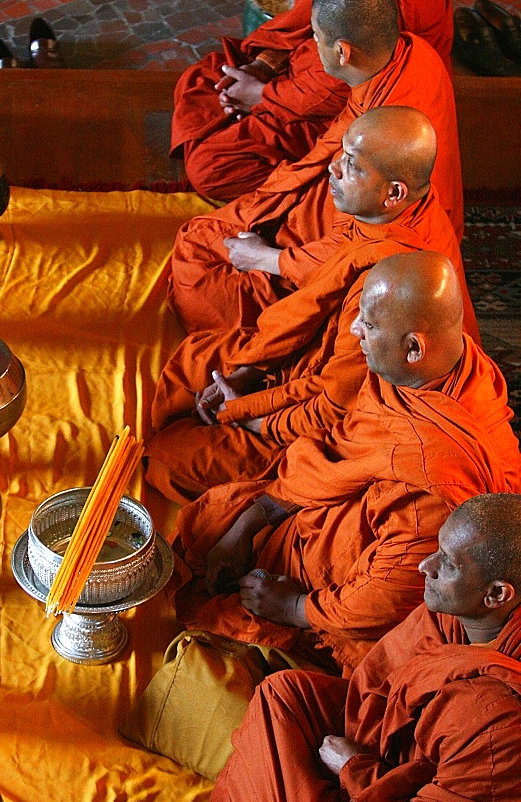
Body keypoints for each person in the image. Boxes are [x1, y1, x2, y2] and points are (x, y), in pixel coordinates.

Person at [171, 252, 521, 675]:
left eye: (368, 326)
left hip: (364, 582)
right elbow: (345, 443)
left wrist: (296, 607)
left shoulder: (433, 482)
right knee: (217, 517)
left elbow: (390, 593)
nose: (355, 329)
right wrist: (256, 515)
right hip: (345, 500)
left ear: (414, 348)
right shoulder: (439, 367)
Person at [147, 109, 478, 505]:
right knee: (198, 359)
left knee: (167, 458)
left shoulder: (387, 290)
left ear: (394, 193)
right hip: (310, 366)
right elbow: (312, 313)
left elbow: (334, 407)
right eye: (341, 153)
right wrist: (251, 372)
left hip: (335, 417)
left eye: (351, 165)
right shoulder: (384, 217)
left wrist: (248, 415)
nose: (333, 168)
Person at [209, 494, 521, 802]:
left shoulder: (502, 717)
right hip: (384, 757)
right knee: (283, 692)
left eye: (449, 563)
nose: (427, 566)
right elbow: (374, 689)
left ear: (497, 595)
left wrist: (355, 770)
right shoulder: (454, 610)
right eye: (438, 548)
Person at [169, 0, 464, 336]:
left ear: (343, 52)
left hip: (384, 250)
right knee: (207, 233)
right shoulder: (412, 54)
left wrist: (269, 258)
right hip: (359, 201)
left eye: (315, 37)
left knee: (200, 270)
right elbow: (331, 150)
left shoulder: (388, 132)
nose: (311, 44)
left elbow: (357, 247)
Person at [172, 0, 454, 202]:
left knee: (210, 167)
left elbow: (335, 89)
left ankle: (316, 201)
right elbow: (315, 20)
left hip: (355, 105)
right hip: (319, 68)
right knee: (201, 79)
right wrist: (266, 63)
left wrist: (260, 96)